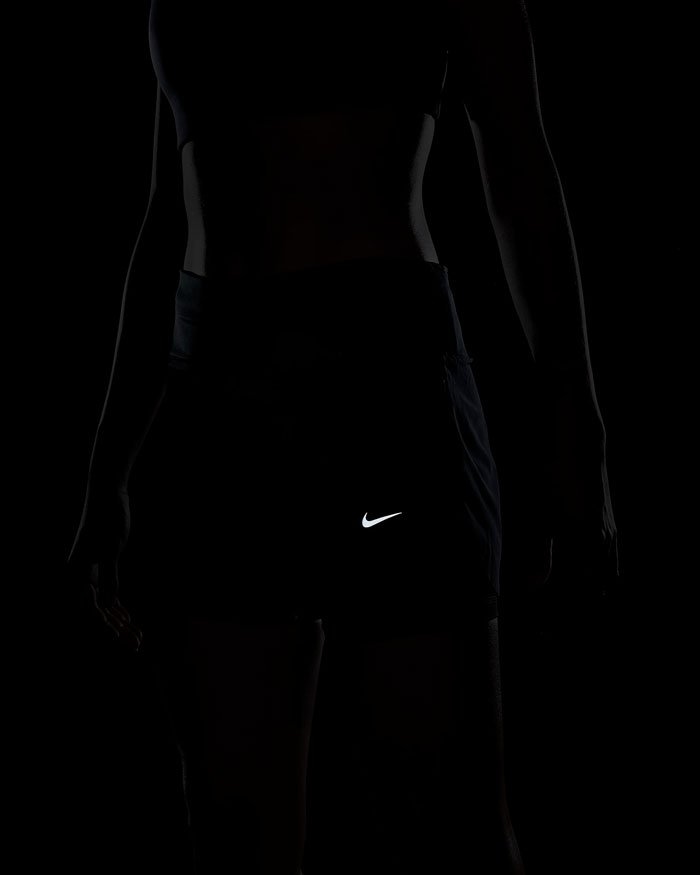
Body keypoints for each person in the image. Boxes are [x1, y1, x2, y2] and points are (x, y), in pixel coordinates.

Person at [67, 1, 618, 872]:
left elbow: (520, 164)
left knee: (447, 832)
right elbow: (172, 200)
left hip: (384, 393)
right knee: (237, 844)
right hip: (220, 398)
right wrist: (110, 466)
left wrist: (576, 431)